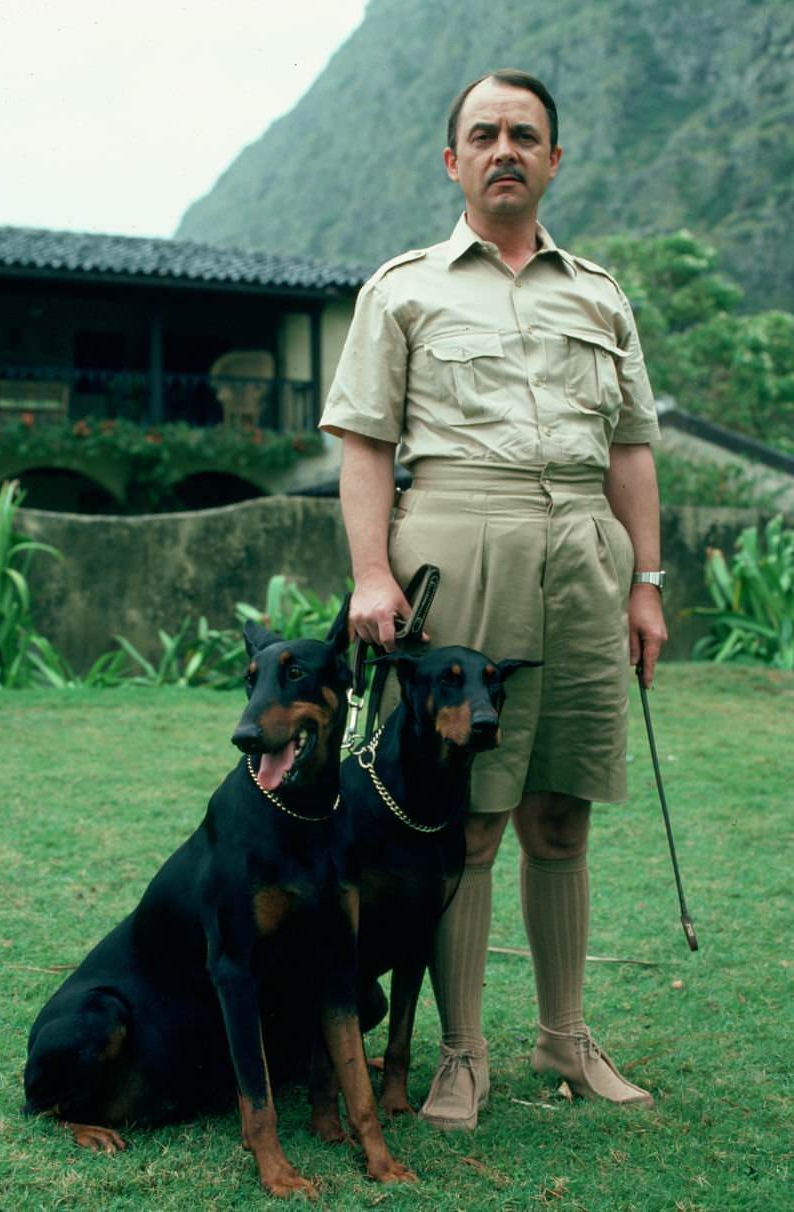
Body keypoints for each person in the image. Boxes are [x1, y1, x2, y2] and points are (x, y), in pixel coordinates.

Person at [319, 69, 667, 1131]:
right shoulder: (403, 289)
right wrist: (371, 573)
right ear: (452, 160)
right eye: (483, 134)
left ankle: (564, 1036)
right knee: (465, 812)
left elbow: (630, 447)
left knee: (561, 806)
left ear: (553, 159)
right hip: (457, 542)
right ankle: (459, 1055)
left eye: (524, 133)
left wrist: (646, 583)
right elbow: (364, 442)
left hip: (584, 553)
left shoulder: (599, 295)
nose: (503, 148)